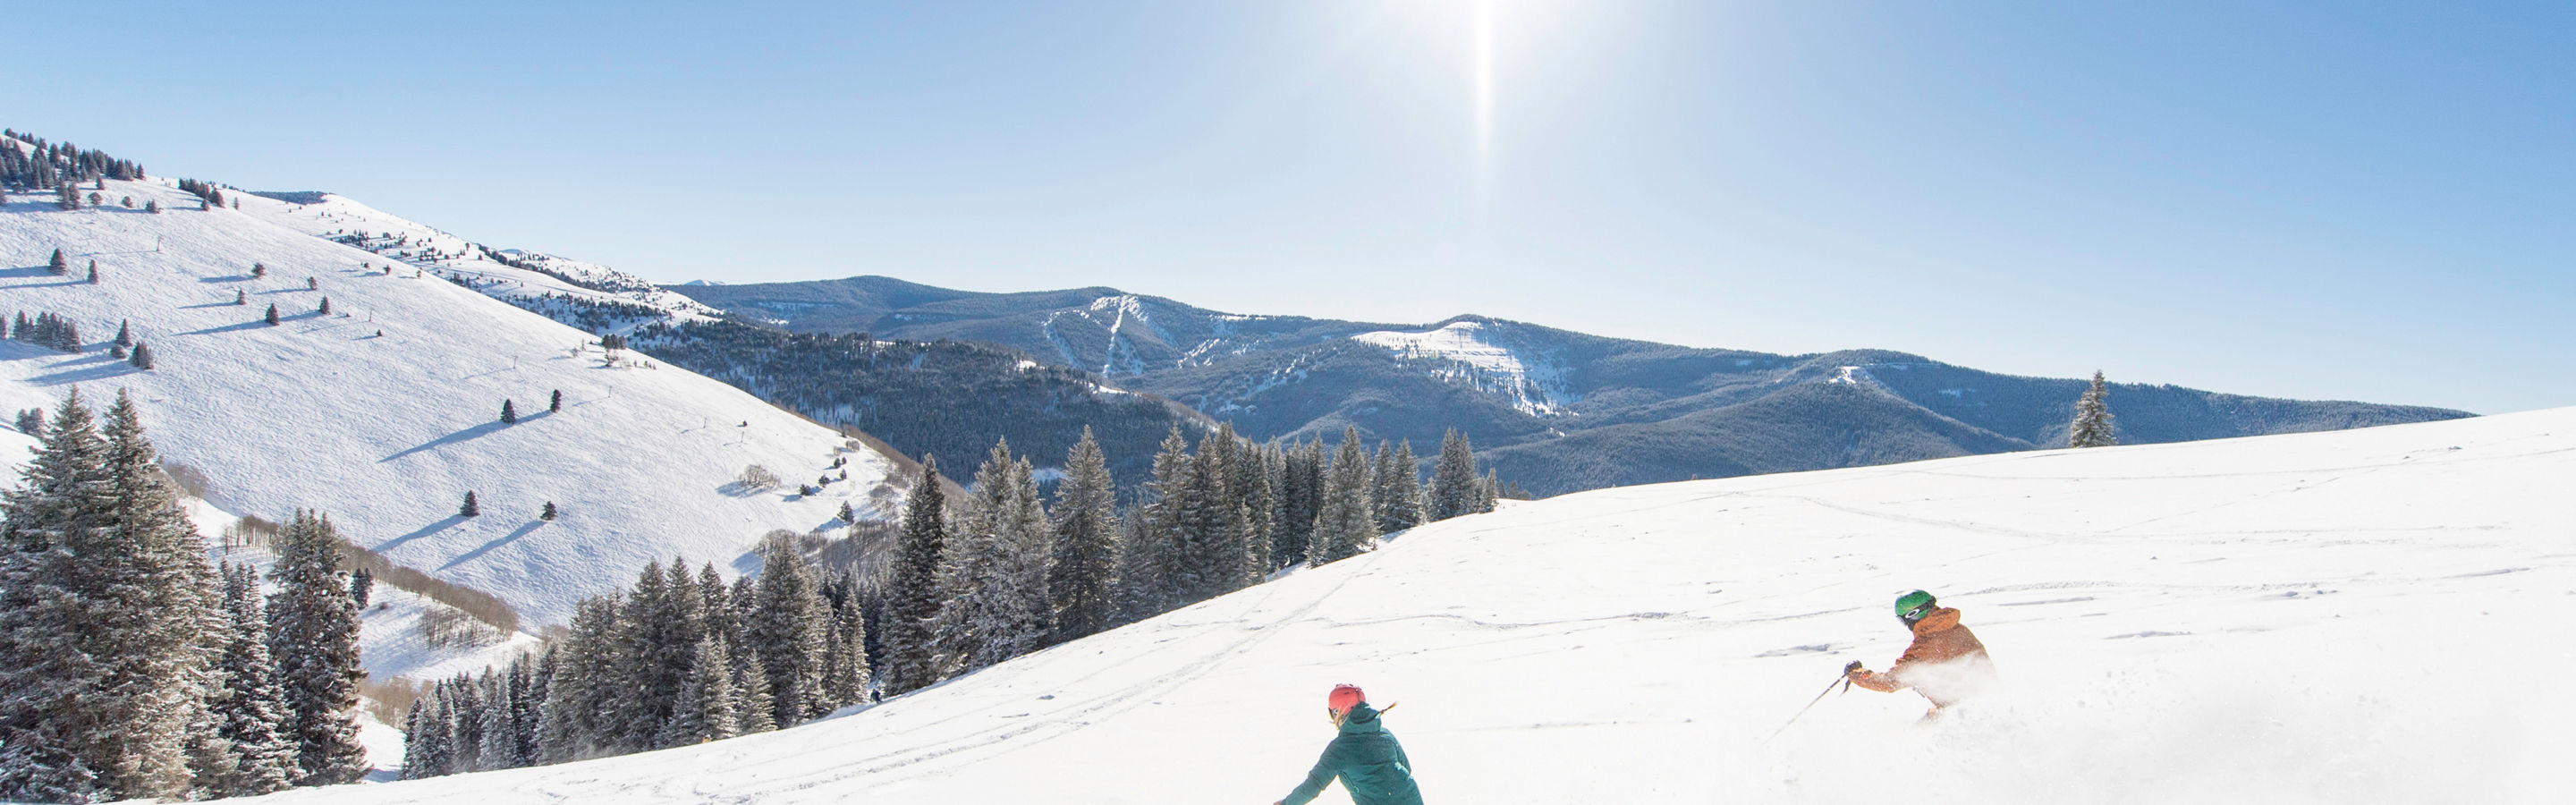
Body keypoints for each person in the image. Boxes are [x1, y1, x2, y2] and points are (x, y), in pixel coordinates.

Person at [1844, 589, 1997, 717]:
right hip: (1984, 704)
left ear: (1913, 615)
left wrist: (1857, 674)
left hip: (1959, 714)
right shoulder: (1954, 628)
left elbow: (1890, 682)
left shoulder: (1928, 644)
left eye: (1903, 620)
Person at [1274, 684, 1423, 805]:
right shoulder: (1385, 734)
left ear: (1338, 712)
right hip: (1411, 798)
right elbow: (1406, 768)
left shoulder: (1340, 749)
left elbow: (1314, 784)